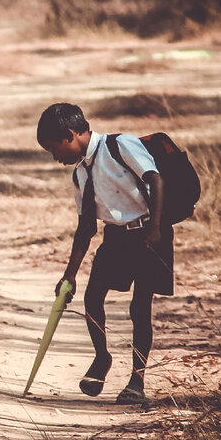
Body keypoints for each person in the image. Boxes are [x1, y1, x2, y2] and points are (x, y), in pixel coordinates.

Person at [37, 102, 170, 403]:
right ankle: (102, 358)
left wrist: (157, 228)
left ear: (71, 135)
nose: (56, 158)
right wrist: (68, 275)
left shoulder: (120, 145)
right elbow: (86, 227)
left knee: (140, 308)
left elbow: (156, 180)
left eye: (55, 149)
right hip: (116, 237)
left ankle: (137, 381)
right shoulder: (80, 174)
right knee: (93, 296)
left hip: (150, 232)